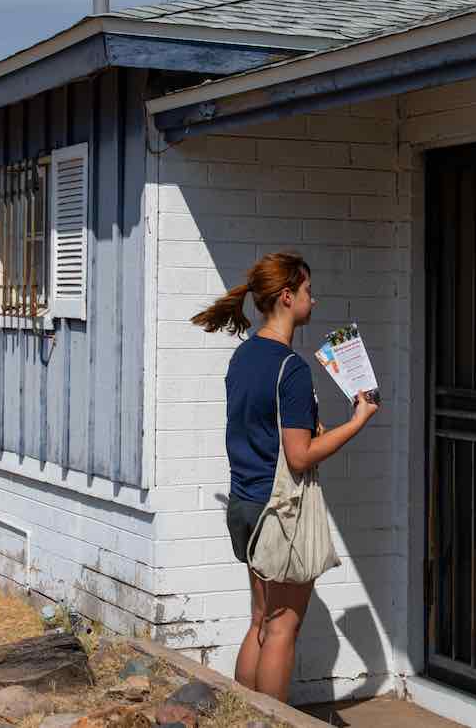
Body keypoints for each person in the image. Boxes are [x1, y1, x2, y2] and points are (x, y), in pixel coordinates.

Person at [190, 252, 379, 701]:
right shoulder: (290, 368)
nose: (315, 299)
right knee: (282, 629)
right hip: (279, 512)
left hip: (245, 502)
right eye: (310, 291)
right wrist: (358, 421)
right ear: (288, 296)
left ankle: (242, 715)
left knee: (260, 619)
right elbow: (298, 457)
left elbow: (261, 431)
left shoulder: (244, 357)